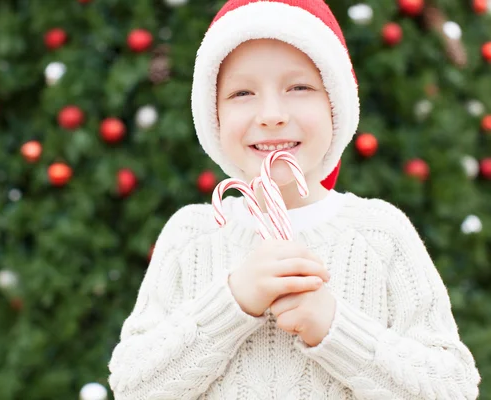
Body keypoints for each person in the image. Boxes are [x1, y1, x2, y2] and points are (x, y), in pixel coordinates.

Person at [107, 0, 481, 398]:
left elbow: (453, 388)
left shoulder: (379, 234)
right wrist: (231, 302)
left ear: (335, 104)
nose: (271, 114)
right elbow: (133, 386)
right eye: (242, 92)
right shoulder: (192, 236)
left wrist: (337, 329)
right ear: (212, 115)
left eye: (299, 87)